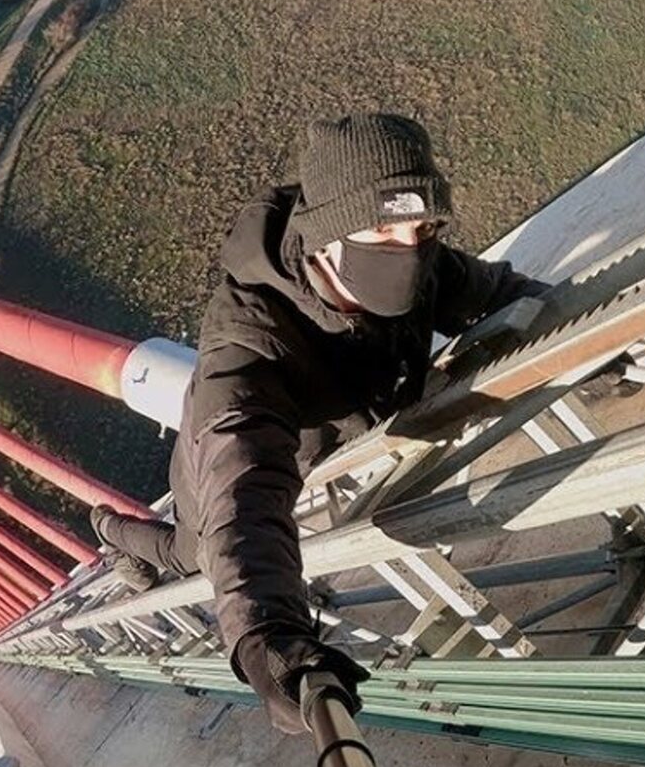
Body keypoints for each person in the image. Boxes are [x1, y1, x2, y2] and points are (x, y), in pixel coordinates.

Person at [91, 112, 547, 734]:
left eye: (426, 226)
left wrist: (575, 325)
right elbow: (243, 505)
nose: (409, 249)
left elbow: (496, 291)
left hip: (335, 428)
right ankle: (112, 531)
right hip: (223, 464)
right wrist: (268, 634)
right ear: (325, 237)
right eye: (384, 229)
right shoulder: (249, 348)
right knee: (191, 554)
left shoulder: (416, 261)